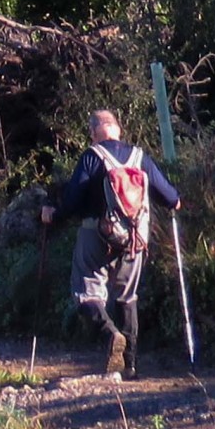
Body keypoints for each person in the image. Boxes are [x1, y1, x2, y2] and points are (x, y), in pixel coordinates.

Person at [39, 108, 179, 377]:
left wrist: (53, 215)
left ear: (93, 133)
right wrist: (174, 201)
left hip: (96, 235)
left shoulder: (92, 157)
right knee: (127, 297)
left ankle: (110, 334)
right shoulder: (139, 157)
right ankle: (130, 365)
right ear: (118, 129)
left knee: (86, 293)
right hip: (135, 239)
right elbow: (172, 198)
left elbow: (72, 201)